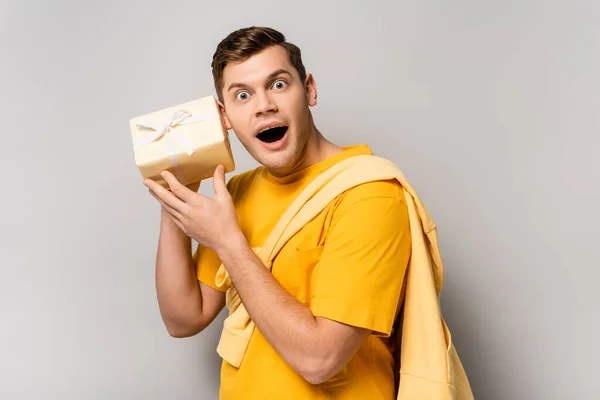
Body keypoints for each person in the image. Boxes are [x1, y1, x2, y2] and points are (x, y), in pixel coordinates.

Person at [144, 26, 411, 400]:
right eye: (242, 95)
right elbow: (183, 318)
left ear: (310, 89)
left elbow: (321, 359)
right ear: (224, 116)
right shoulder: (236, 193)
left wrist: (227, 241)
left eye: (279, 85)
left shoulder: (368, 193)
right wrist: (177, 196)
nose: (263, 105)